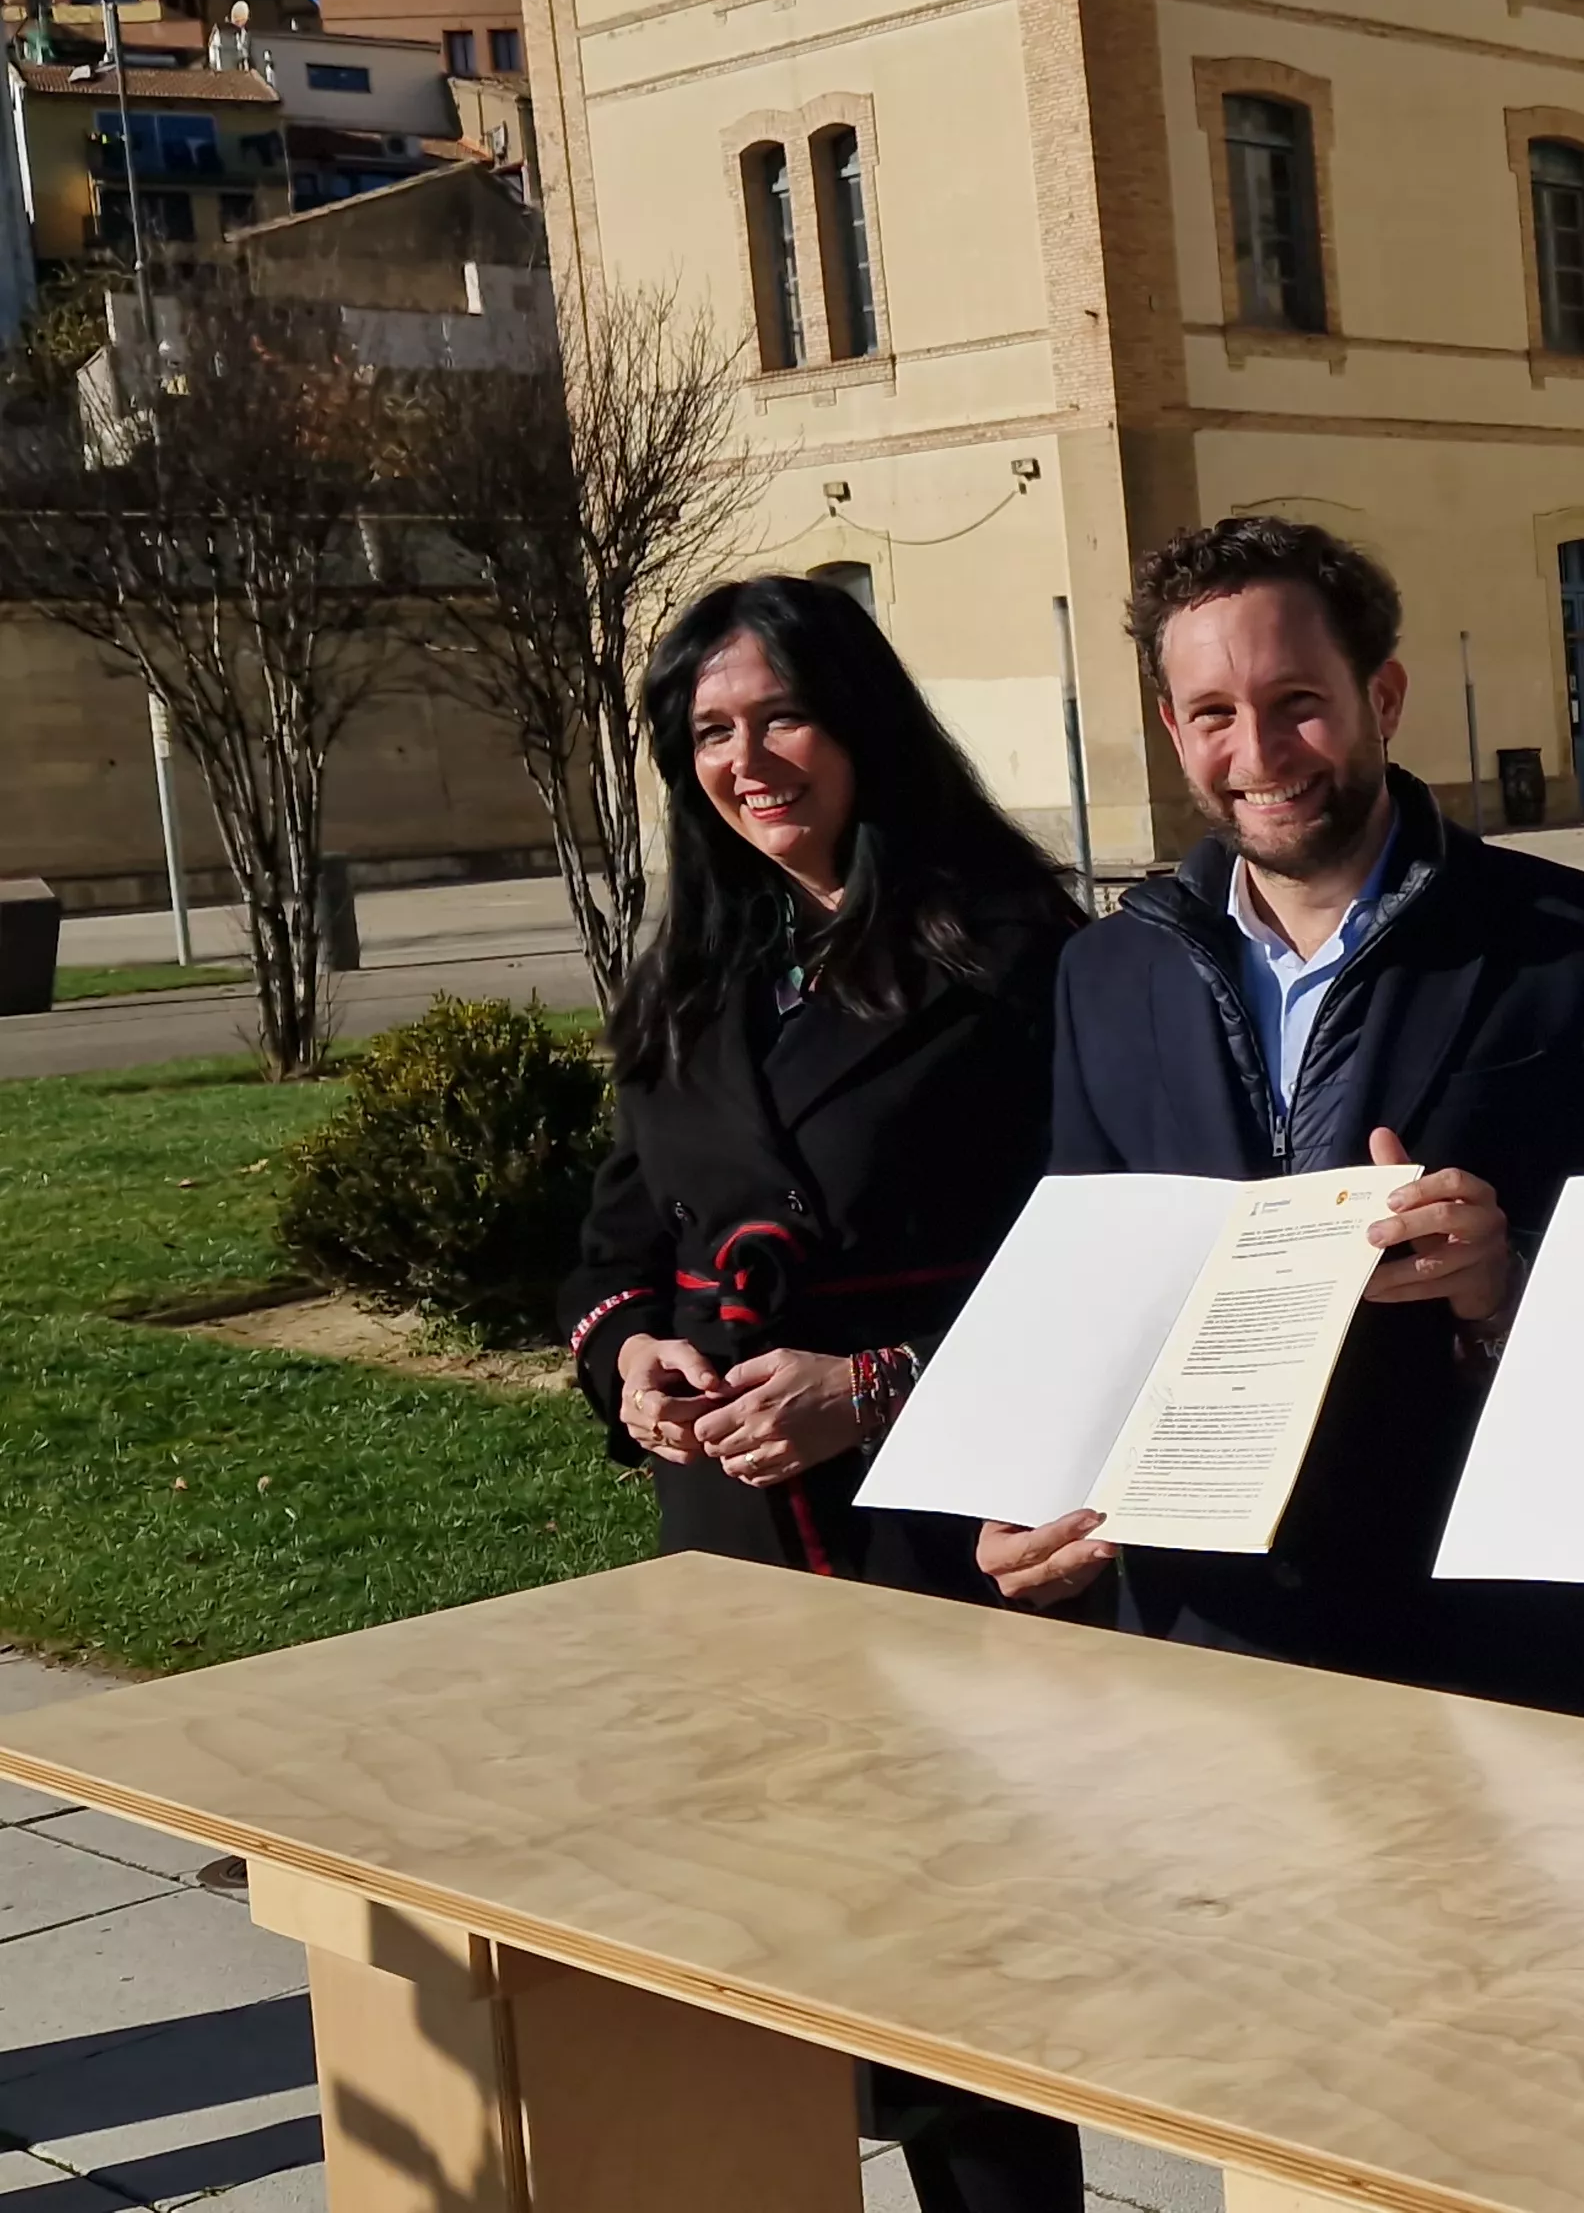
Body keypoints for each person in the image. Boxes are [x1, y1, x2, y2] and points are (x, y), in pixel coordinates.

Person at [557, 572, 1088, 2213]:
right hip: (731, 1544)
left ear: (857, 718)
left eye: (779, 713)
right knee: (777, 1965)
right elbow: (620, 1230)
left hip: (928, 1534)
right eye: (709, 731)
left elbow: (1086, 1253)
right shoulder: (696, 964)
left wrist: (877, 1383)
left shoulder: (1013, 951)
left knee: (961, 2003)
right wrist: (630, 1349)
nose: (748, 757)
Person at [974, 516, 1584, 1723]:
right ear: (1173, 728)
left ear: (1385, 695)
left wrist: (1497, 1282)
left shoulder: (1570, 944)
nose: (1259, 750)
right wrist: (1027, 1489)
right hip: (1206, 1646)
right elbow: (1079, 1297)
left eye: (1297, 699)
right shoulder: (1105, 975)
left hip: (1487, 1640)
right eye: (1212, 713)